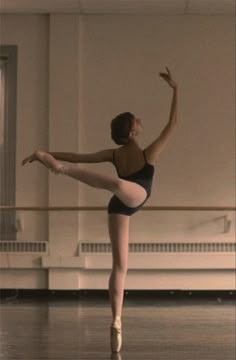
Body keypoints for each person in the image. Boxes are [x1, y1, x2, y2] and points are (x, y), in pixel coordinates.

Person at [22, 67, 178, 353]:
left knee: (116, 188)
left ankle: (61, 169)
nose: (141, 122)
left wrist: (46, 154)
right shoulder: (147, 153)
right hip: (128, 198)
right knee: (120, 264)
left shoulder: (117, 153)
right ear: (132, 132)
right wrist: (176, 89)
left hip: (122, 199)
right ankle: (117, 321)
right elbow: (172, 124)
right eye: (138, 121)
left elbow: (79, 156)